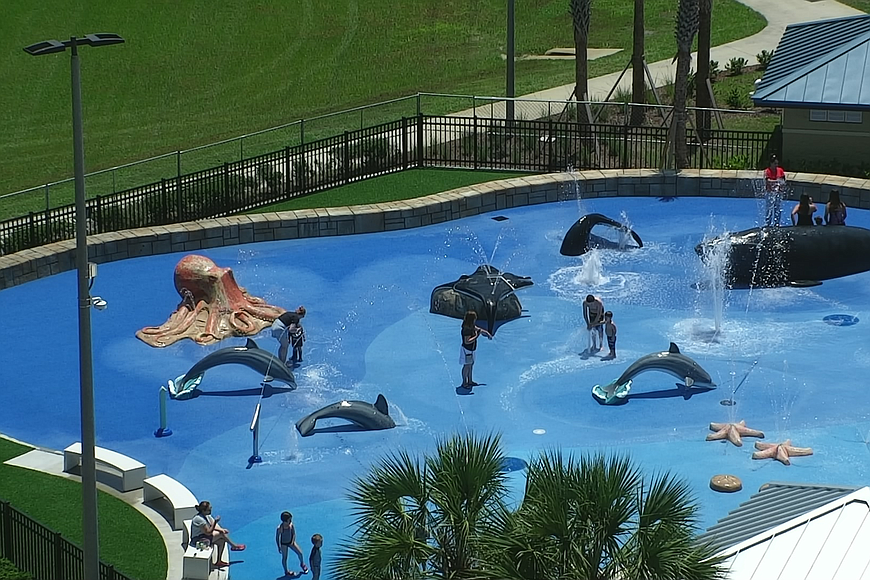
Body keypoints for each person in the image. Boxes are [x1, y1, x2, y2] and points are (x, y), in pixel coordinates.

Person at [190, 501, 245, 568]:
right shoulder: (199, 520)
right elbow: (208, 532)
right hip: (198, 540)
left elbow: (212, 525)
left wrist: (222, 529)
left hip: (204, 536)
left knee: (222, 541)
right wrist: (216, 522)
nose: (210, 510)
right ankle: (234, 546)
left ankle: (219, 561)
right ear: (204, 510)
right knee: (221, 534)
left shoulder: (206, 516)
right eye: (209, 509)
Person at [460, 310, 492, 390]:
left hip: (472, 349)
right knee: (467, 366)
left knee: (471, 365)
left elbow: (478, 329)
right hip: (467, 350)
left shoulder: (471, 326)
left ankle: (470, 381)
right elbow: (467, 341)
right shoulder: (466, 329)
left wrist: (487, 333)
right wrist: (477, 336)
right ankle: (464, 382)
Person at [276, 511, 307, 576]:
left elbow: (294, 533)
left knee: (300, 553)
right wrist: (279, 546)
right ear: (284, 521)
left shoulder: (291, 525)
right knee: (285, 558)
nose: (290, 521)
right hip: (283, 544)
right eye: (289, 520)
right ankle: (286, 571)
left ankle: (302, 564)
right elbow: (277, 537)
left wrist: (293, 541)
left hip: (291, 542)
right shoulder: (280, 528)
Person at [763, 155, 787, 226]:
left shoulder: (780, 170)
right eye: (775, 163)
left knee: (778, 208)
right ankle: (768, 223)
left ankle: (777, 223)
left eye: (777, 163)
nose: (776, 165)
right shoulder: (767, 171)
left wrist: (781, 184)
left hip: (778, 192)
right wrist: (777, 181)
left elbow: (783, 180)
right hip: (770, 192)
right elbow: (767, 181)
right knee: (769, 208)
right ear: (771, 163)